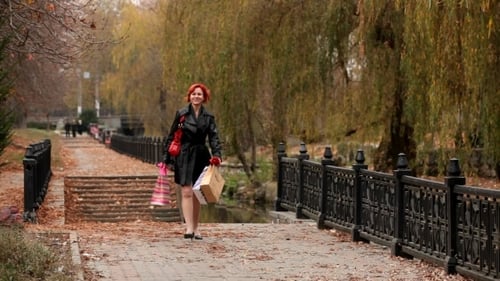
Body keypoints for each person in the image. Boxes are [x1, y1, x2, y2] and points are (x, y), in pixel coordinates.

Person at [164, 83, 222, 240]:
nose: (196, 97)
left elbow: (214, 137)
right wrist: (167, 159)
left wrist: (217, 155)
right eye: (194, 94)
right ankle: (189, 227)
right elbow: (174, 135)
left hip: (201, 156)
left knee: (197, 193)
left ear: (204, 98)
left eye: (199, 94)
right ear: (189, 96)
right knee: (186, 191)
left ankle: (196, 228)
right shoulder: (182, 115)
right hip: (184, 155)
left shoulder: (208, 118)